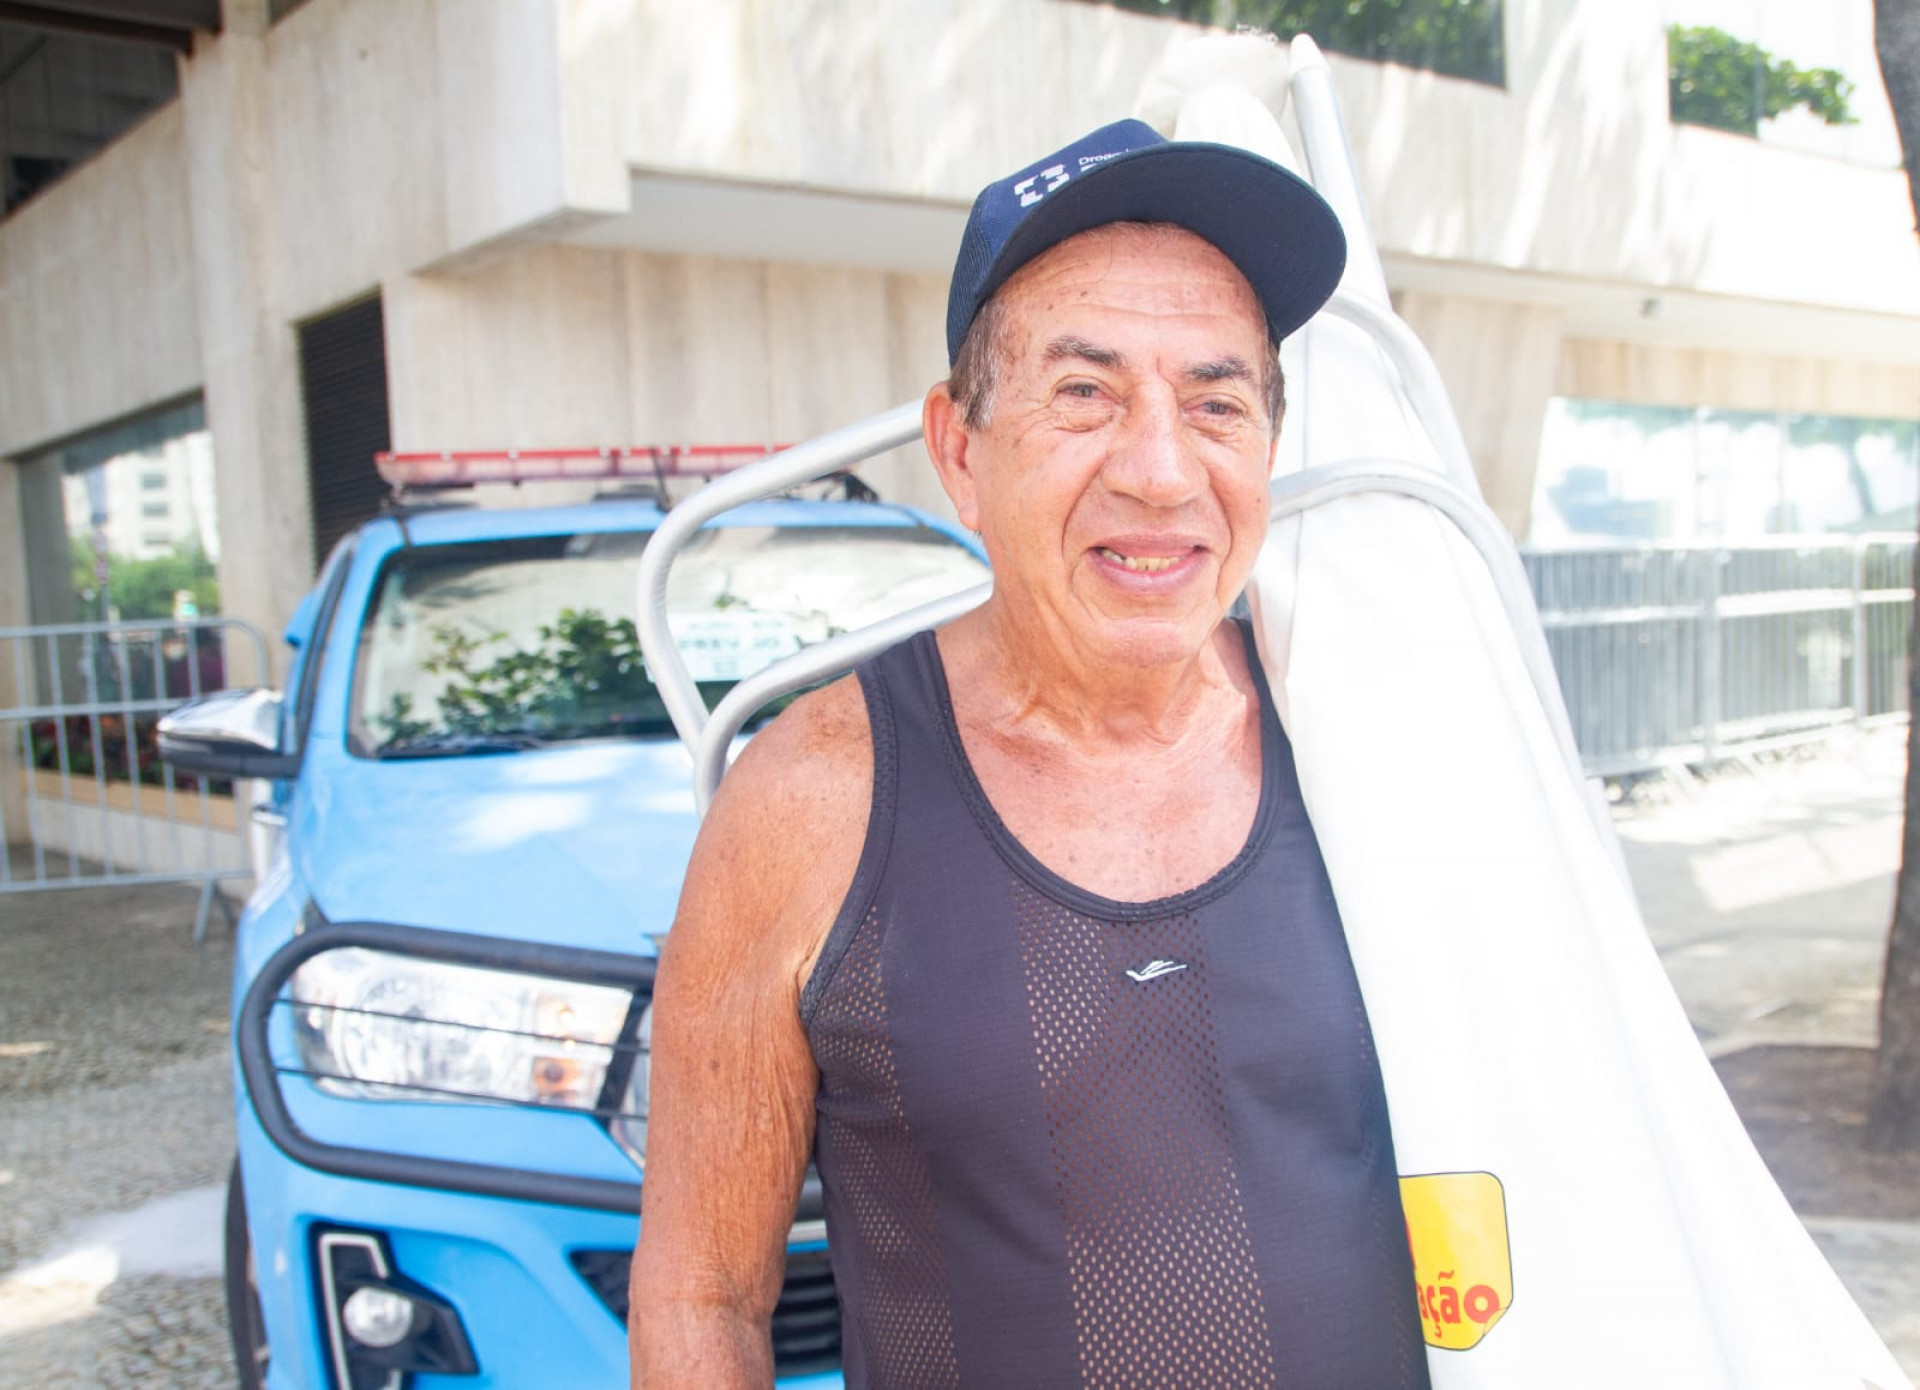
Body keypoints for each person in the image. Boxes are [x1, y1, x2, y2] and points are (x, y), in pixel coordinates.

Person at [630, 119, 1431, 1389]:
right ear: (960, 450)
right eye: (1085, 394)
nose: (1163, 471)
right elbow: (701, 1297)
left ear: (1269, 447)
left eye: (1216, 401)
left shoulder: (1368, 738)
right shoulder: (812, 797)